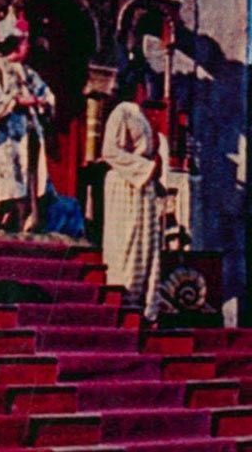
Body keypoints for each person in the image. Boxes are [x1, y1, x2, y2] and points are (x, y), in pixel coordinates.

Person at [0, 7, 55, 232]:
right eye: (25, 42)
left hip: (28, 137)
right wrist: (15, 102)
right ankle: (3, 221)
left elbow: (46, 96)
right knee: (6, 189)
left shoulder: (29, 73)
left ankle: (28, 220)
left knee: (30, 184)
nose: (28, 46)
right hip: (4, 139)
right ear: (15, 44)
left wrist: (43, 103)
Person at [99, 74, 164, 321]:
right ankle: (124, 300)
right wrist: (145, 168)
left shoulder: (139, 113)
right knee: (128, 240)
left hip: (142, 185)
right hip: (126, 183)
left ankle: (143, 305)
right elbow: (110, 151)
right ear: (138, 86)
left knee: (145, 244)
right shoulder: (122, 111)